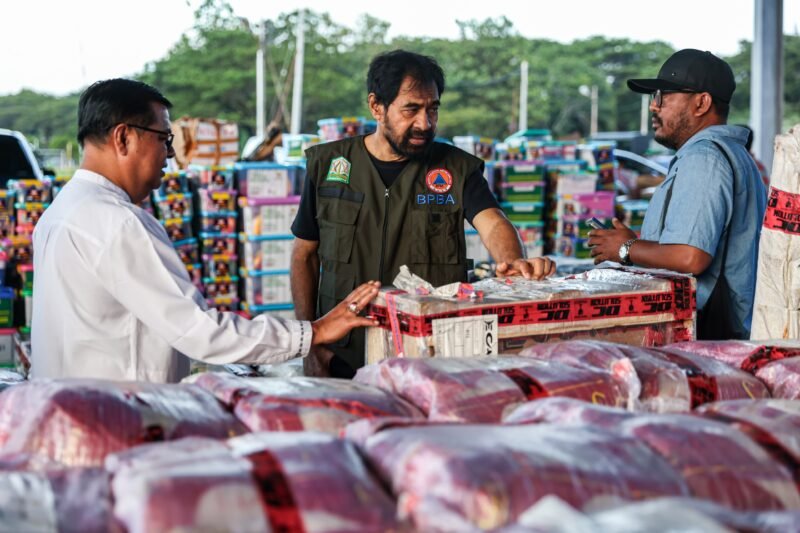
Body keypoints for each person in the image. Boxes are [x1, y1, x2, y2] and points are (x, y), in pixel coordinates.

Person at [31, 78, 380, 383]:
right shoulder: (118, 222)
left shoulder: (61, 211)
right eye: (164, 138)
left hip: (70, 403)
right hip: (117, 414)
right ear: (123, 137)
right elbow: (197, 330)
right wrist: (313, 332)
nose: (170, 154)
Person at [291, 50, 555, 378]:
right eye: (411, 109)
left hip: (431, 360)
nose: (425, 123)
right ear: (376, 106)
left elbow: (493, 223)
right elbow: (304, 256)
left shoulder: (457, 168)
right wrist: (310, 343)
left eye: (433, 109)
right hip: (342, 357)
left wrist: (512, 261)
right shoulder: (328, 166)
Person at [587, 49, 766, 340]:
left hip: (706, 333)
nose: (653, 106)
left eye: (663, 96)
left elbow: (690, 257)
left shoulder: (704, 158)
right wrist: (639, 245)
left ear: (701, 103)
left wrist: (626, 248)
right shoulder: (730, 154)